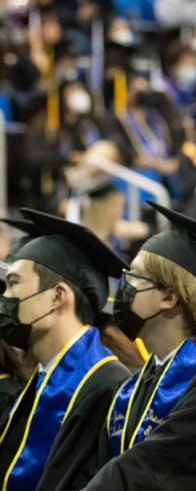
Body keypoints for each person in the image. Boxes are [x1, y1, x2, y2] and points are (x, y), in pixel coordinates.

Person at [84, 203, 196, 490]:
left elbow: (150, 467)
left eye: (135, 276)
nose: (124, 286)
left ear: (169, 298)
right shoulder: (137, 383)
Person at [0, 209, 131, 490]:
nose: (5, 298)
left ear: (57, 297)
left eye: (13, 285)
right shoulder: (38, 379)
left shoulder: (107, 385)